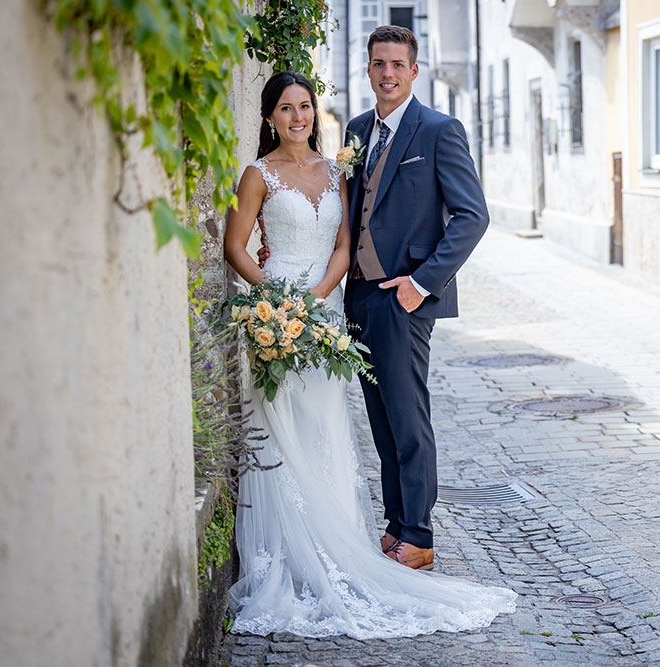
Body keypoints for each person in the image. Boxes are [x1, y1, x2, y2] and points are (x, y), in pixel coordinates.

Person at [223, 70, 515, 638]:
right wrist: (275, 304)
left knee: (358, 422)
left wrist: (323, 298)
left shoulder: (348, 164)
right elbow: (238, 244)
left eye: (305, 106)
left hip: (337, 305)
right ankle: (304, 545)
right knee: (297, 421)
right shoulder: (276, 167)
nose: (298, 117)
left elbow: (350, 240)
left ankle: (408, 536)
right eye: (286, 108)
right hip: (277, 314)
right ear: (269, 117)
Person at [343, 24, 490, 573]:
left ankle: (420, 536)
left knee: (408, 417)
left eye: (397, 65)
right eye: (378, 63)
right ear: (368, 69)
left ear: (414, 71)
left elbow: (473, 216)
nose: (387, 73)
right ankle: (395, 524)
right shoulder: (357, 131)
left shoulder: (438, 130)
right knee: (379, 418)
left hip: (404, 299)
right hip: (359, 298)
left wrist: (421, 283)